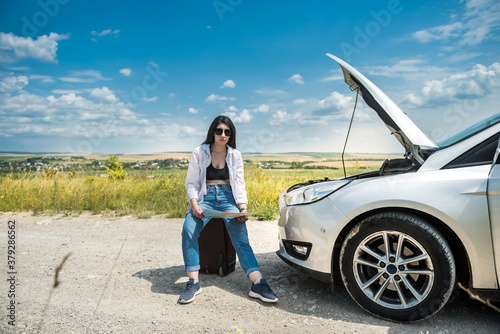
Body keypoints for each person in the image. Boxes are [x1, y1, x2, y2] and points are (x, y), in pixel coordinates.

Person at [179, 115, 278, 304]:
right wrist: (194, 205)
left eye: (227, 131)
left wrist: (242, 208)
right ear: (212, 132)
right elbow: (191, 183)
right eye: (219, 131)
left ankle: (258, 283)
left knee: (241, 239)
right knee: (188, 229)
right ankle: (193, 282)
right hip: (204, 197)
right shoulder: (199, 152)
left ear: (231, 134)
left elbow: (239, 184)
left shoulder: (235, 155)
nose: (223, 135)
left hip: (228, 197)